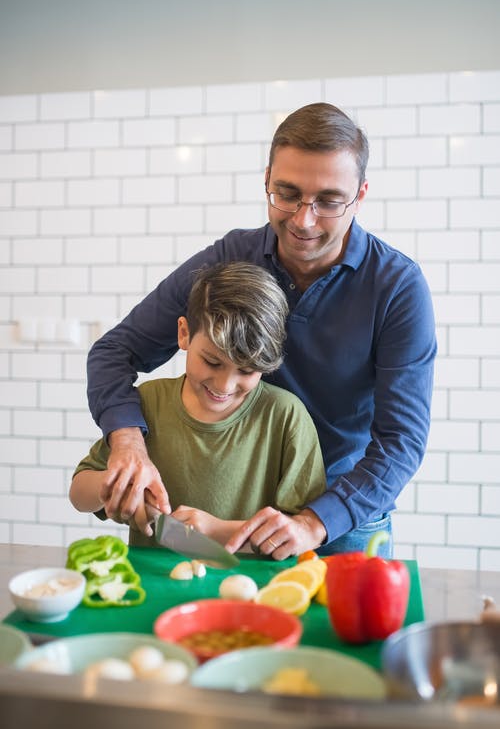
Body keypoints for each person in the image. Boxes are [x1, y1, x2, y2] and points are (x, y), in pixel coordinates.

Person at [86, 102, 437, 560]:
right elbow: (114, 351)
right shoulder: (230, 258)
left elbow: (401, 441)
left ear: (361, 195)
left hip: (346, 518)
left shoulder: (397, 287)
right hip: (240, 516)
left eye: (328, 201)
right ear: (266, 179)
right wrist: (128, 443)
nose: (303, 220)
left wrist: (316, 522)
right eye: (286, 193)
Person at [71, 262, 326, 546]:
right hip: (153, 584)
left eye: (246, 370)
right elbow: (79, 494)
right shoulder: (147, 403)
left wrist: (219, 531)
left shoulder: (285, 416)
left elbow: (302, 534)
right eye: (212, 361)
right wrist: (116, 486)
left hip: (251, 587)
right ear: (183, 333)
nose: (224, 386)